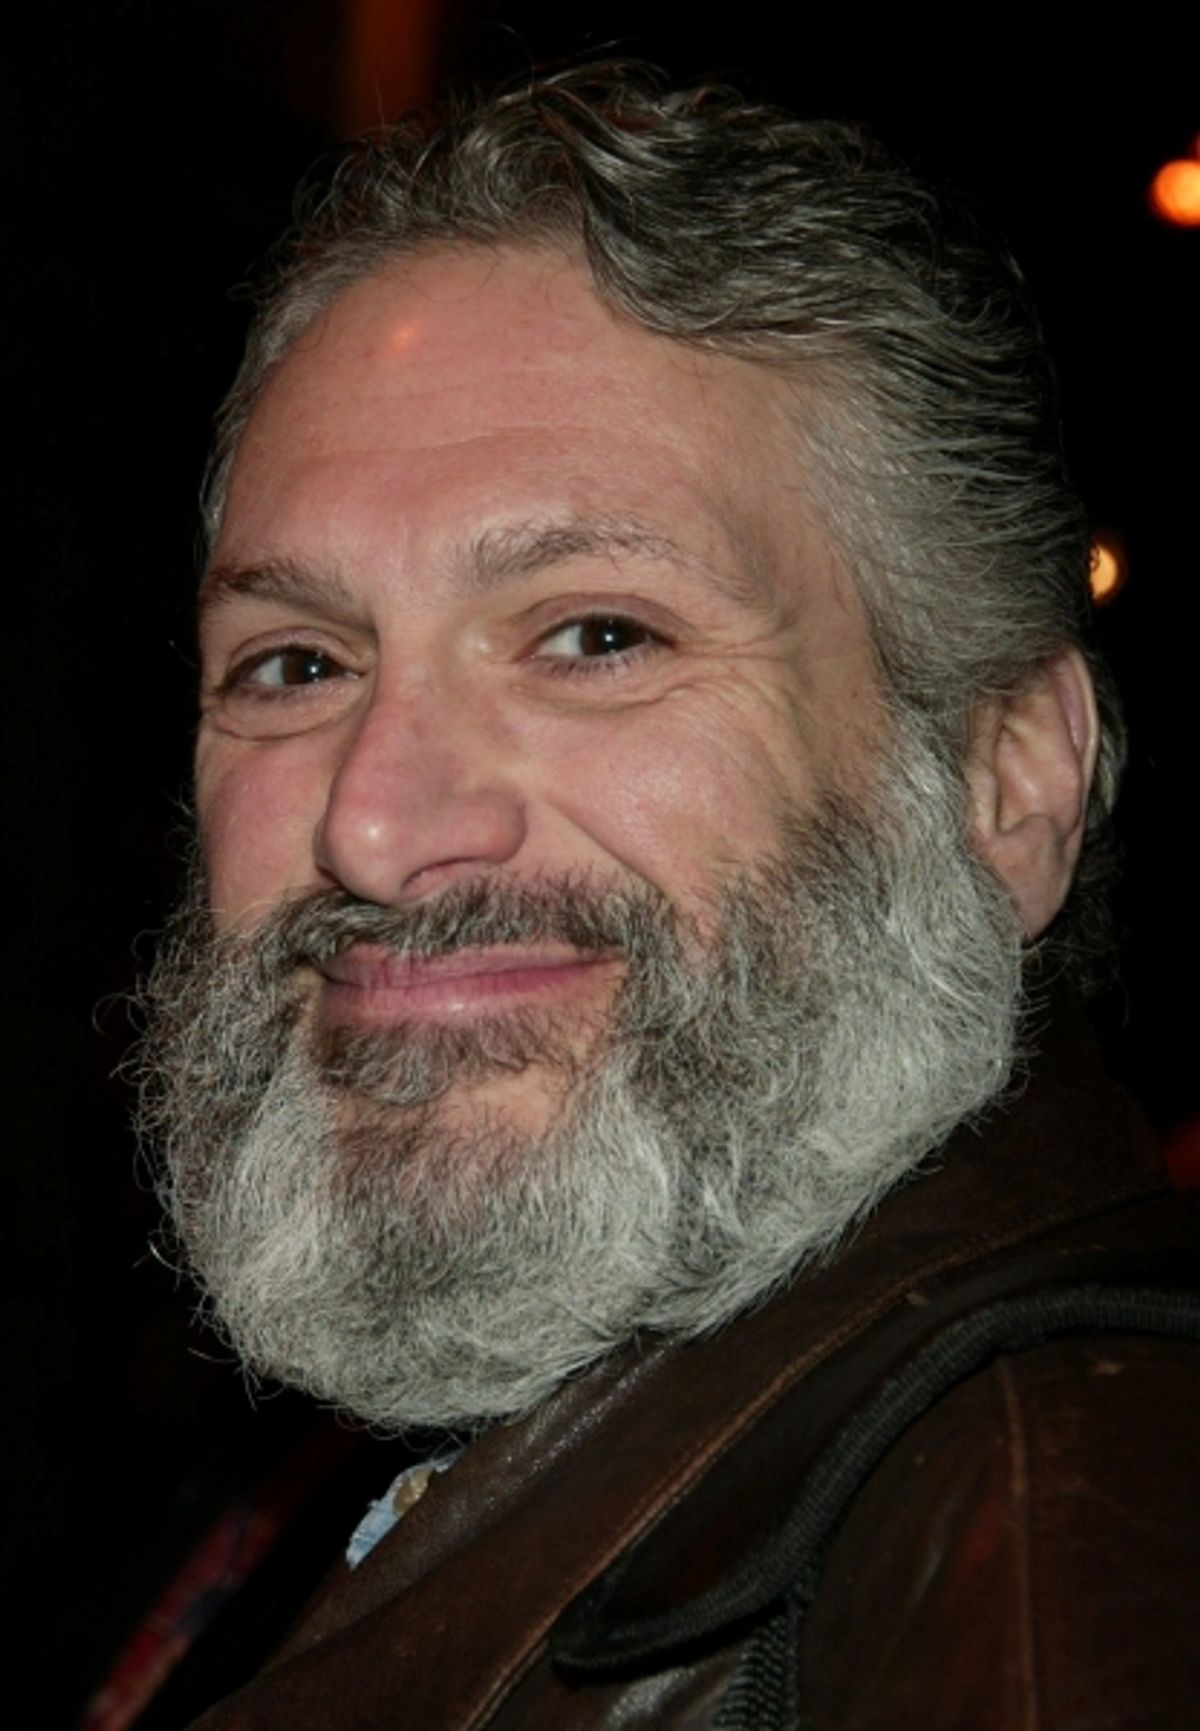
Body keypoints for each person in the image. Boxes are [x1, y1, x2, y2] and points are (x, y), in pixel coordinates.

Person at [135, 62, 1199, 1729]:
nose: (373, 824)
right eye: (294, 662)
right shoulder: (383, 1455)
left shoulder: (1058, 1538)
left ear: (1008, 777)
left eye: (598, 636)